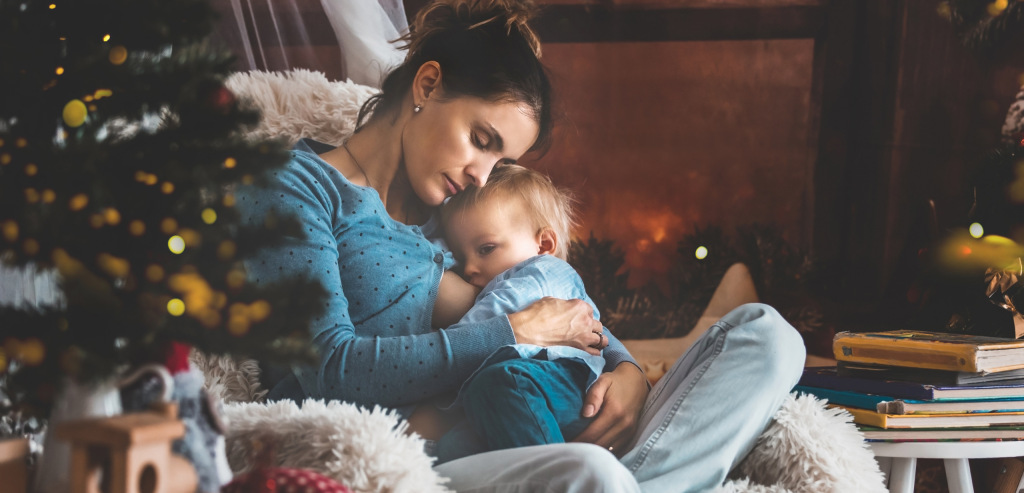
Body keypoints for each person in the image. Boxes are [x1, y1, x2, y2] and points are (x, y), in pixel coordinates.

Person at [240, 1, 806, 491]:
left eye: (499, 159)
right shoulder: (295, 188)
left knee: (768, 338)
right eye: (481, 140)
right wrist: (514, 334)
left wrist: (626, 368)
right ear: (428, 84)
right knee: (592, 475)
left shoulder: (458, 207)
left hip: (543, 419)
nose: (483, 175)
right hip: (421, 460)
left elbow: (546, 295)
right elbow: (331, 372)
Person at [432, 164, 610, 464]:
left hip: (563, 384)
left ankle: (559, 479)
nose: (469, 268)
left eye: (486, 249)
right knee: (453, 446)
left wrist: (445, 347)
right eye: (461, 258)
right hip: (520, 393)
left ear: (544, 244)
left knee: (502, 383)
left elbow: (496, 313)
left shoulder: (542, 271)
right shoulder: (505, 273)